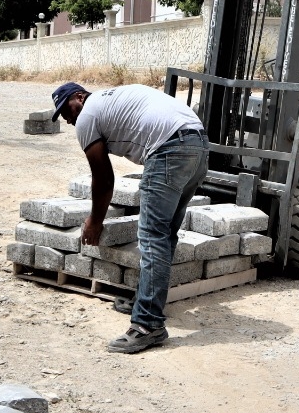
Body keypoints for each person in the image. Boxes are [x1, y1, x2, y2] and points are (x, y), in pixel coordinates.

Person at [53, 81, 207, 354]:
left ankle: (148, 325)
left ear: (79, 97)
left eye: (67, 110)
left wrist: (95, 222)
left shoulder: (87, 115)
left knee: (152, 237)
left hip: (170, 147)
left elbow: (103, 177)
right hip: (197, 143)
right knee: (165, 234)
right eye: (63, 116)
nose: (67, 119)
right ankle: (145, 301)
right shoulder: (110, 99)